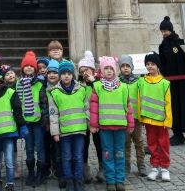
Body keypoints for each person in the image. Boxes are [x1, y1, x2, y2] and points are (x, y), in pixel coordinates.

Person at [89, 56, 134, 191]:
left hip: (120, 127)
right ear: (101, 71)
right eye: (106, 68)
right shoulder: (97, 86)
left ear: (115, 70)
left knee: (119, 153)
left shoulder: (123, 87)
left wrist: (131, 124)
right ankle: (110, 181)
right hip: (105, 128)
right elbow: (94, 108)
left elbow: (128, 107)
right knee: (107, 154)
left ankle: (120, 180)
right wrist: (94, 124)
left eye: (111, 68)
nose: (109, 71)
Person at [0, 67, 27, 191]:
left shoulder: (10, 93)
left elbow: (18, 111)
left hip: (8, 134)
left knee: (9, 159)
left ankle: (10, 183)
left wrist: (22, 126)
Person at [48, 60, 88, 191]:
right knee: (66, 157)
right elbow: (53, 114)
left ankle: (78, 180)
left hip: (79, 130)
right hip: (64, 132)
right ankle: (69, 180)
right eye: (63, 73)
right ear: (60, 75)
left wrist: (89, 124)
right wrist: (55, 132)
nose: (66, 76)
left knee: (78, 156)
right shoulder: (54, 92)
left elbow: (86, 109)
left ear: (73, 75)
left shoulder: (81, 90)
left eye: (69, 73)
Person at [158, 15, 185, 146]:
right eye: (162, 31)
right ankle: (177, 133)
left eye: (165, 31)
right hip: (170, 81)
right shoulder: (163, 45)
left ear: (170, 29)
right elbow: (163, 62)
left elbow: (182, 61)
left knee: (182, 105)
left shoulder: (179, 43)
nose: (164, 33)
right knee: (173, 107)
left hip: (181, 81)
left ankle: (184, 130)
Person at [138, 52, 172, 182]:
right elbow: (139, 99)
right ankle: (154, 167)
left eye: (152, 64)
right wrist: (140, 117)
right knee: (151, 144)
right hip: (148, 119)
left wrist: (168, 121)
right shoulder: (142, 81)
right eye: (147, 64)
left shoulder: (164, 83)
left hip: (161, 120)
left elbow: (168, 103)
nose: (150, 66)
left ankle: (165, 168)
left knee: (163, 144)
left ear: (158, 66)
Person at [17, 51, 49, 187]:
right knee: (29, 148)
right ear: (22, 68)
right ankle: (31, 172)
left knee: (40, 147)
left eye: (31, 66)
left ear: (35, 69)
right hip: (26, 122)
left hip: (38, 121)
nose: (29, 68)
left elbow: (44, 103)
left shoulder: (40, 83)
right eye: (26, 66)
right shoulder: (19, 83)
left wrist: (44, 119)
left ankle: (40, 173)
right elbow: (17, 104)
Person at [77, 51, 104, 184]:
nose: (85, 73)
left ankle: (102, 168)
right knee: (84, 144)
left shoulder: (99, 83)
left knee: (99, 143)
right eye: (82, 71)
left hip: (97, 119)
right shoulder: (78, 84)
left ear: (93, 70)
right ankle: (84, 169)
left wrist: (94, 82)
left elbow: (103, 95)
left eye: (87, 70)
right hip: (83, 119)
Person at [118, 55, 146, 177]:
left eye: (127, 66)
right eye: (123, 66)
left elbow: (143, 97)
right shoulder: (117, 82)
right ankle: (126, 165)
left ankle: (141, 164)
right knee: (125, 142)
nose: (125, 68)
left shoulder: (138, 81)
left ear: (132, 67)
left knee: (138, 141)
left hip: (136, 118)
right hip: (123, 118)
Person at [45, 59, 64, 189]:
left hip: (60, 125)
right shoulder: (43, 88)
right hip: (46, 124)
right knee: (48, 148)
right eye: (49, 72)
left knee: (59, 150)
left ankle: (60, 171)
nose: (52, 75)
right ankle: (48, 169)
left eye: (55, 72)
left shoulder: (62, 88)